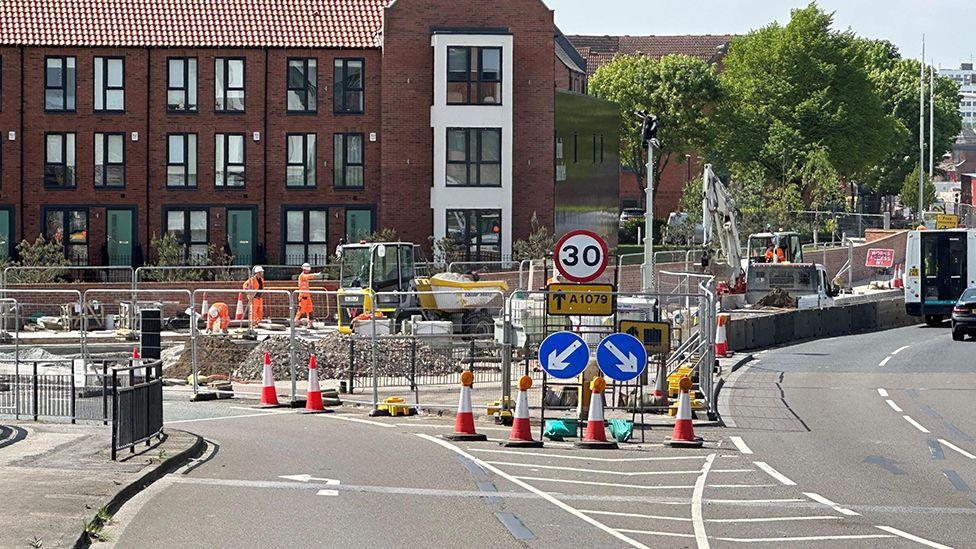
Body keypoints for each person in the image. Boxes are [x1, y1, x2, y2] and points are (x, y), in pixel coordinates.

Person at [295, 263, 323, 329]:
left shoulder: (305, 276)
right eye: (307, 270)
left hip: (307, 296)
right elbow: (307, 276)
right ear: (304, 269)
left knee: (310, 310)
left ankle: (310, 324)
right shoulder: (302, 276)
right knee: (301, 310)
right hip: (303, 296)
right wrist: (315, 275)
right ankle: (295, 322)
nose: (308, 271)